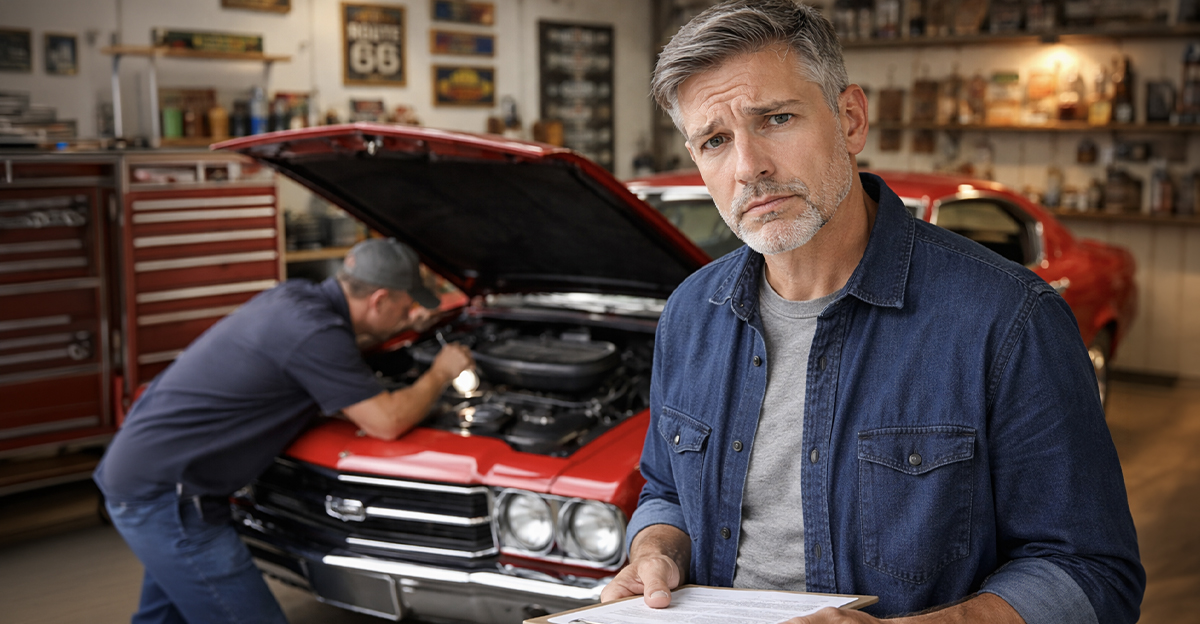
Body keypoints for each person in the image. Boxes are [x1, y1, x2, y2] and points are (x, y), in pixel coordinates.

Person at [600, 2, 1144, 623]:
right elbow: (665, 489)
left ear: (851, 119)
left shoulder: (1009, 319)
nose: (748, 166)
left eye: (776, 118)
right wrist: (655, 550)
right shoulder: (690, 313)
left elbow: (1089, 572)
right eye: (715, 140)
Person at [94, 238, 473, 624]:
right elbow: (386, 422)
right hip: (170, 501)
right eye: (406, 304)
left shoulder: (297, 299)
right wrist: (440, 372)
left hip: (146, 475)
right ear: (378, 300)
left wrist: (403, 326)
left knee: (162, 619)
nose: (410, 311)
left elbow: (330, 349)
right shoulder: (315, 333)